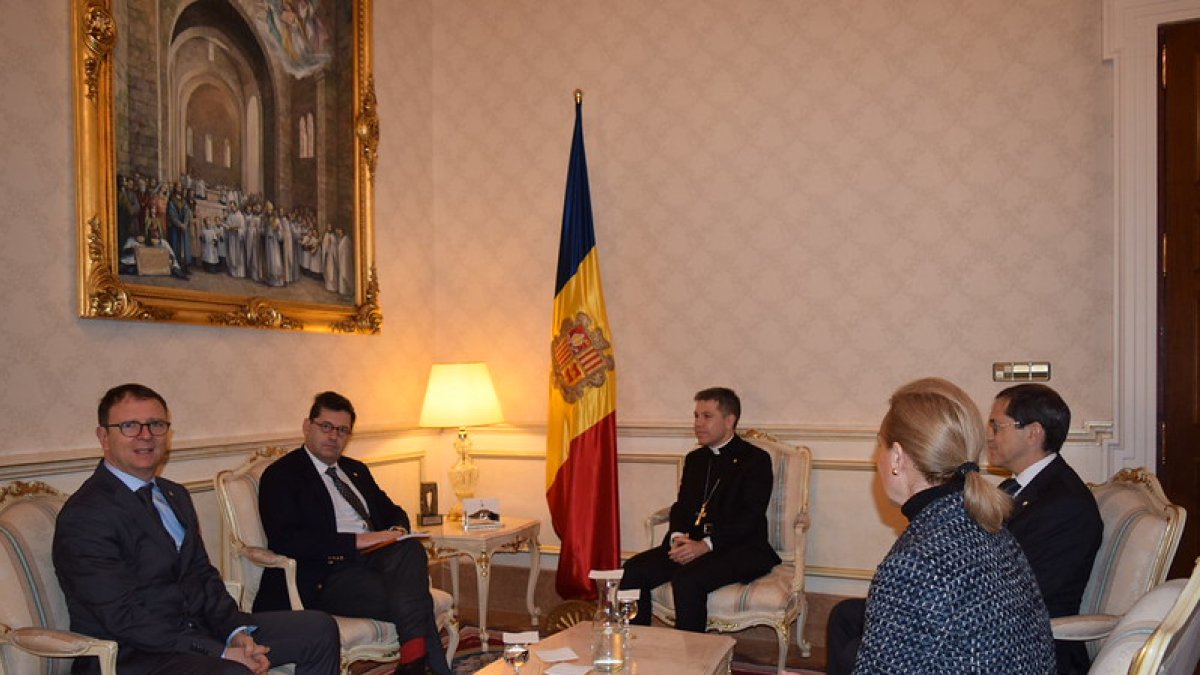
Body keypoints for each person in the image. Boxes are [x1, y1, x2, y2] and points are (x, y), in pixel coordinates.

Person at [52, 383, 339, 675]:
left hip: (197, 633)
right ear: (104, 436)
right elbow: (122, 617)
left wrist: (235, 632)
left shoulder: (174, 495)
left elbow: (203, 574)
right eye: (129, 426)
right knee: (231, 672)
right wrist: (223, 653)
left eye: (156, 424)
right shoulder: (86, 515)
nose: (146, 435)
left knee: (317, 628)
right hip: (130, 655)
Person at [826, 382, 1103, 675]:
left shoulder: (914, 561)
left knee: (850, 656)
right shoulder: (978, 518)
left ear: (897, 457)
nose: (875, 460)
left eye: (878, 445)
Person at [256, 391, 451, 675]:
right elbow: (285, 539)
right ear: (307, 426)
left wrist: (395, 531)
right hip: (326, 574)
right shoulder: (282, 475)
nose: (334, 436)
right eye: (326, 427)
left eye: (342, 430)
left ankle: (413, 663)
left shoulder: (355, 470)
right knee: (414, 599)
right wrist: (356, 541)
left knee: (410, 548)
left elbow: (394, 511)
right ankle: (419, 664)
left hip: (374, 560)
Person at [619, 387, 779, 632]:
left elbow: (751, 517)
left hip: (738, 548)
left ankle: (692, 660)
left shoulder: (755, 460)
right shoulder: (696, 460)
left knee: (687, 580)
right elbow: (682, 506)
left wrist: (706, 545)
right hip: (691, 545)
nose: (698, 423)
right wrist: (676, 538)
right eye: (696, 416)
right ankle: (638, 646)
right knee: (633, 570)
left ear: (729, 420)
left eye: (706, 416)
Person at [987, 383, 1102, 674]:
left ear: (1033, 432)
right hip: (995, 626)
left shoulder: (1065, 505)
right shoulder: (1016, 487)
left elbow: (1020, 595)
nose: (989, 436)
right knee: (852, 616)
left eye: (996, 426)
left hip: (1031, 649)